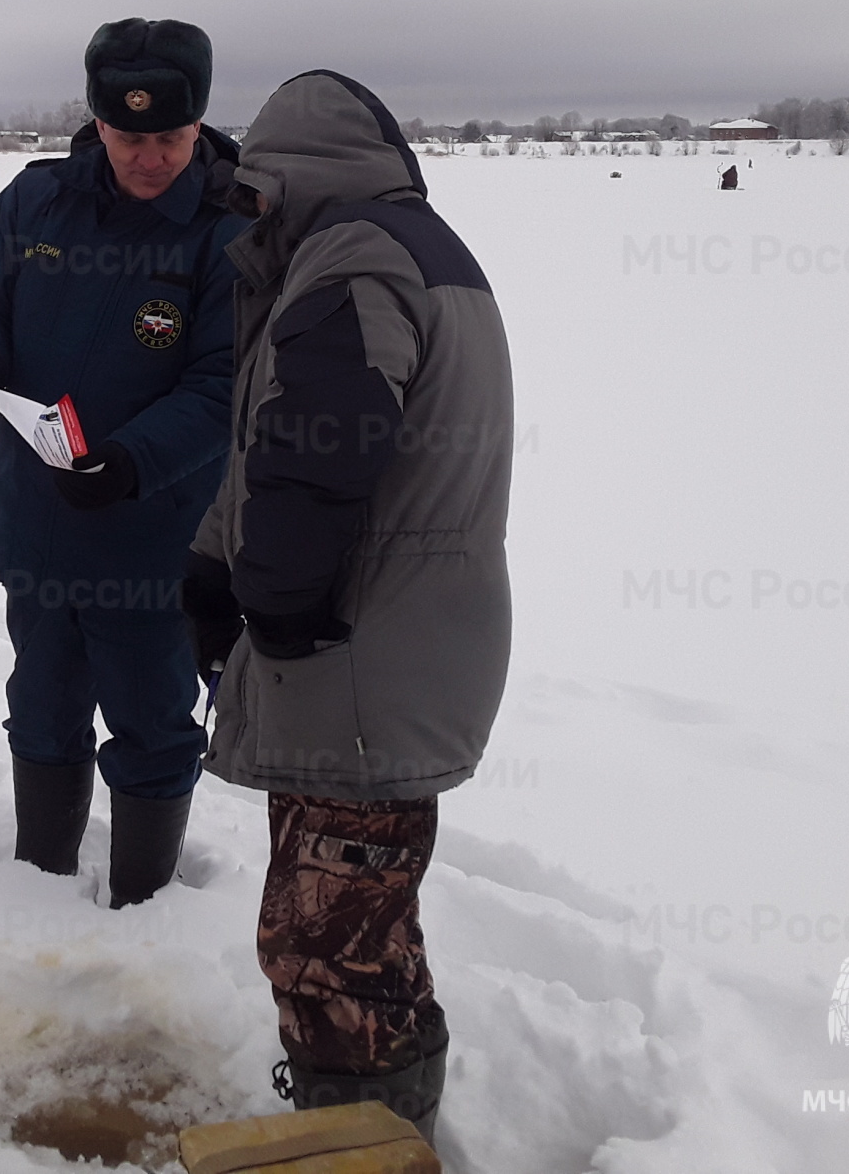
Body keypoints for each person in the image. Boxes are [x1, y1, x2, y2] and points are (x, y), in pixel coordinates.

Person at [181, 70, 514, 1143]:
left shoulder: (355, 257)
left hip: (359, 663)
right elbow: (275, 445)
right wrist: (209, 564)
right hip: (383, 654)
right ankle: (386, 1139)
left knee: (323, 955)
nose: (247, 219)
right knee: (364, 938)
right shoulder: (401, 249)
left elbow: (314, 459)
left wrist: (267, 608)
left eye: (254, 197)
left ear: (285, 177)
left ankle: (359, 1148)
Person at [0, 19, 247, 906]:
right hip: (35, 525)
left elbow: (226, 383)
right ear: (97, 123)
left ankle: (144, 908)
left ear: (201, 126)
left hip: (153, 537)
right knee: (40, 708)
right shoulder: (36, 202)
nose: (150, 159)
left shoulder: (229, 232)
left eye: (171, 139)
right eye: (129, 137)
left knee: (153, 725)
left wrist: (133, 461)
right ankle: (41, 886)